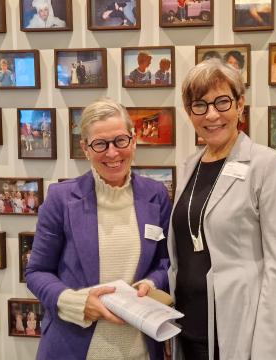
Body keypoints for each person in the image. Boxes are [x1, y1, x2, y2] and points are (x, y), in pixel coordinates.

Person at [168, 59, 276, 359]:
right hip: (188, 327)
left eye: (222, 102)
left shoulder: (266, 165)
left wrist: (270, 350)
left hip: (239, 329)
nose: (211, 114)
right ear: (189, 113)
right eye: (199, 105)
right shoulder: (190, 166)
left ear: (240, 105)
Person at [26, 97, 171, 360]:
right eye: (100, 144)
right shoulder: (61, 199)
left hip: (139, 349)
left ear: (133, 139)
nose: (113, 153)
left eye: (120, 141)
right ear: (85, 148)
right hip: (72, 347)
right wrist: (76, 303)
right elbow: (37, 272)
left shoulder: (156, 195)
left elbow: (165, 262)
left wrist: (151, 284)